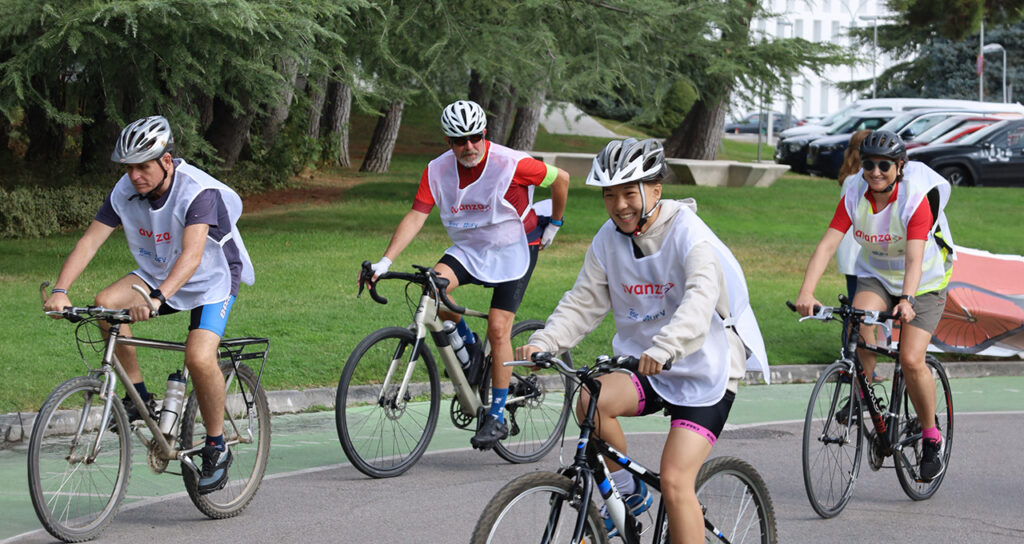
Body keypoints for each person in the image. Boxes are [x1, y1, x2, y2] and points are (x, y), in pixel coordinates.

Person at [516, 138, 768, 542]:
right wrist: (546, 341)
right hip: (646, 364)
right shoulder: (608, 239)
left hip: (705, 367)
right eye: (609, 195)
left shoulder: (690, 234)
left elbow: (700, 299)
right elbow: (583, 301)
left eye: (629, 192)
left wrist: (667, 346)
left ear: (655, 190)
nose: (619, 205)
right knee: (591, 398)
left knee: (674, 481)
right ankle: (628, 495)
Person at [43, 115, 255, 494]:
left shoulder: (197, 192)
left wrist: (157, 299)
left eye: (143, 166)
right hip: (158, 272)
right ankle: (138, 397)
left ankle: (216, 445)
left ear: (167, 161)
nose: (135, 176)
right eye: (129, 168)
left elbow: (191, 257)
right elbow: (90, 242)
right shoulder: (124, 191)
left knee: (199, 356)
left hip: (211, 278)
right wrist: (60, 289)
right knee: (106, 306)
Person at [365, 100, 569, 450]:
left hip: (516, 246)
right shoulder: (437, 170)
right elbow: (416, 215)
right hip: (471, 246)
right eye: (460, 140)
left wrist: (556, 222)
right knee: (432, 289)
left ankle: (497, 415)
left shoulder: (511, 163)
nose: (469, 146)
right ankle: (472, 350)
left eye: (475, 137)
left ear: (484, 134)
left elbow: (561, 179)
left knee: (499, 327)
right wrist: (384, 261)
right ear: (449, 140)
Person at [795, 129, 954, 482]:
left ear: (899, 167)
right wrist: (807, 292)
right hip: (878, 275)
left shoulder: (914, 198)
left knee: (911, 360)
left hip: (924, 282)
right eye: (869, 164)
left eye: (885, 165)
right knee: (859, 323)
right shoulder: (855, 191)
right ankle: (863, 392)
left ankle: (931, 439)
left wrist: (908, 301)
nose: (875, 171)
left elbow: (914, 259)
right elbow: (827, 245)